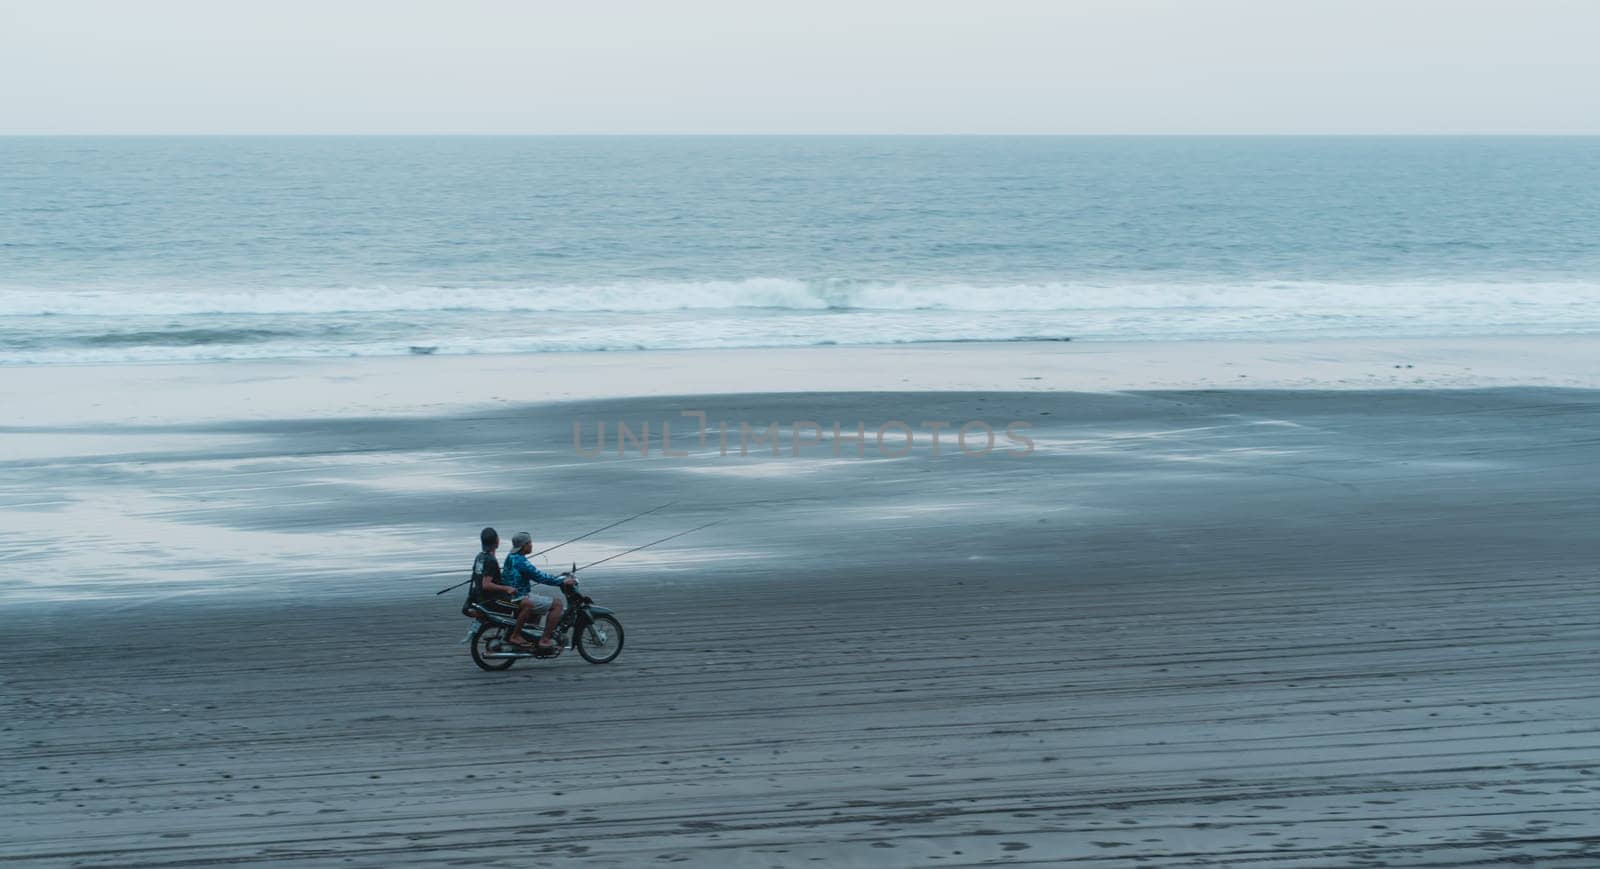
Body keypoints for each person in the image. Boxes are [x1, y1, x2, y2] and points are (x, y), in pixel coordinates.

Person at [502, 530, 575, 653]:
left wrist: (558, 578)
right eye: (529, 542)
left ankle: (532, 636)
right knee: (557, 604)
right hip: (520, 596)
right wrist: (561, 581)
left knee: (542, 601)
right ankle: (545, 639)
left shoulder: (511, 556)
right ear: (524, 545)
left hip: (513, 594)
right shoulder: (521, 562)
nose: (531, 545)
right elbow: (540, 576)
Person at [470, 527, 541, 643]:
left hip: (481, 598)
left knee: (525, 598)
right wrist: (507, 587)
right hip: (493, 600)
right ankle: (516, 635)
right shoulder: (490, 560)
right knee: (529, 604)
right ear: (497, 542)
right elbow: (486, 585)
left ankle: (524, 633)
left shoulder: (480, 557)